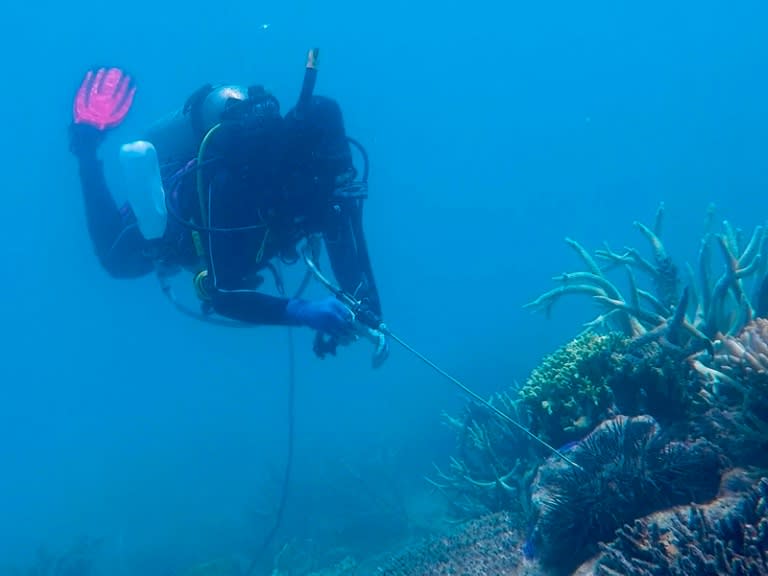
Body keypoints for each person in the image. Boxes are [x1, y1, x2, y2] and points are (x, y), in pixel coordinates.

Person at [68, 58, 388, 366]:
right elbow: (224, 297)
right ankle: (86, 148)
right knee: (117, 260)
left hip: (240, 240)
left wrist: (365, 311)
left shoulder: (325, 182)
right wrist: (302, 312)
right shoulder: (240, 179)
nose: (338, 194)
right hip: (180, 217)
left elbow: (346, 239)